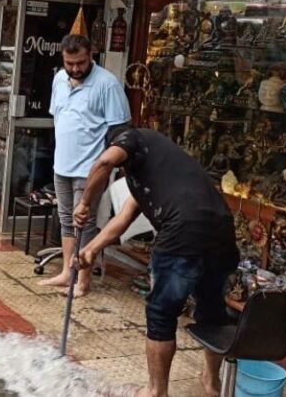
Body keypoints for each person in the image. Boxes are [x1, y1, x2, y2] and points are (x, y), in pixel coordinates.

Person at [74, 124, 239, 397]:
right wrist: (91, 249)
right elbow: (123, 219)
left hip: (182, 231)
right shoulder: (159, 169)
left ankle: (155, 391)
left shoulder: (133, 138)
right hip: (222, 229)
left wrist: (85, 203)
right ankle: (211, 381)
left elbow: (104, 161)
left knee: (161, 312)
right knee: (212, 307)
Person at [39, 33, 130, 296]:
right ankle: (68, 272)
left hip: (90, 168)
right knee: (66, 219)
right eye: (70, 63)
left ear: (91, 56)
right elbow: (59, 118)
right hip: (62, 165)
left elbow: (120, 131)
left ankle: (83, 281)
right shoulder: (59, 79)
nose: (75, 68)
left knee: (85, 223)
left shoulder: (107, 84)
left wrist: (108, 165)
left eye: (80, 62)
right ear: (63, 60)